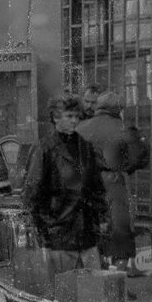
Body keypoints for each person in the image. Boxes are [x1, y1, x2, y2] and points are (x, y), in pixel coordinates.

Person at [23, 96, 108, 276]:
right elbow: (32, 191)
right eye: (69, 116)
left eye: (77, 117)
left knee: (91, 288)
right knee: (63, 288)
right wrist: (44, 225)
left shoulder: (85, 147)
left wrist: (102, 217)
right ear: (55, 118)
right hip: (59, 231)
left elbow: (96, 186)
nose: (75, 121)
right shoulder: (44, 148)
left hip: (85, 229)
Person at [76, 91, 148, 274]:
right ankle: (117, 280)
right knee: (121, 230)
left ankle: (96, 276)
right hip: (113, 182)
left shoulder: (80, 128)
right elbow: (140, 158)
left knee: (93, 228)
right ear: (119, 109)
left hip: (85, 183)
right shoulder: (125, 127)